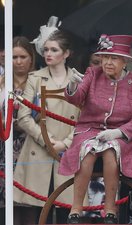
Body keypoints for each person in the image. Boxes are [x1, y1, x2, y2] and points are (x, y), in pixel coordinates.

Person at [58, 34, 132, 224]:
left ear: (125, 61)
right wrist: (73, 84)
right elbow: (77, 98)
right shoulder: (93, 73)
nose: (107, 62)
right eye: (105, 57)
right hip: (89, 129)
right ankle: (76, 208)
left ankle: (110, 209)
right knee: (87, 151)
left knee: (110, 151)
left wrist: (118, 133)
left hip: (120, 135)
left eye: (113, 58)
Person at [13, 17, 81, 224]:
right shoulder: (35, 78)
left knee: (65, 213)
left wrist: (66, 143)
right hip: (38, 149)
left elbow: (85, 119)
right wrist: (48, 140)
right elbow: (24, 117)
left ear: (66, 54)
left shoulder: (80, 80)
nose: (48, 54)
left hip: (67, 152)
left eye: (54, 50)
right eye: (46, 49)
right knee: (33, 214)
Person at [0, 36, 36, 225]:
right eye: (14, 57)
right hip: (4, 149)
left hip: (31, 148)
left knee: (30, 205)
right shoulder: (2, 83)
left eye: (23, 56)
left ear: (31, 58)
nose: (19, 61)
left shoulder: (38, 82)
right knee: (7, 207)